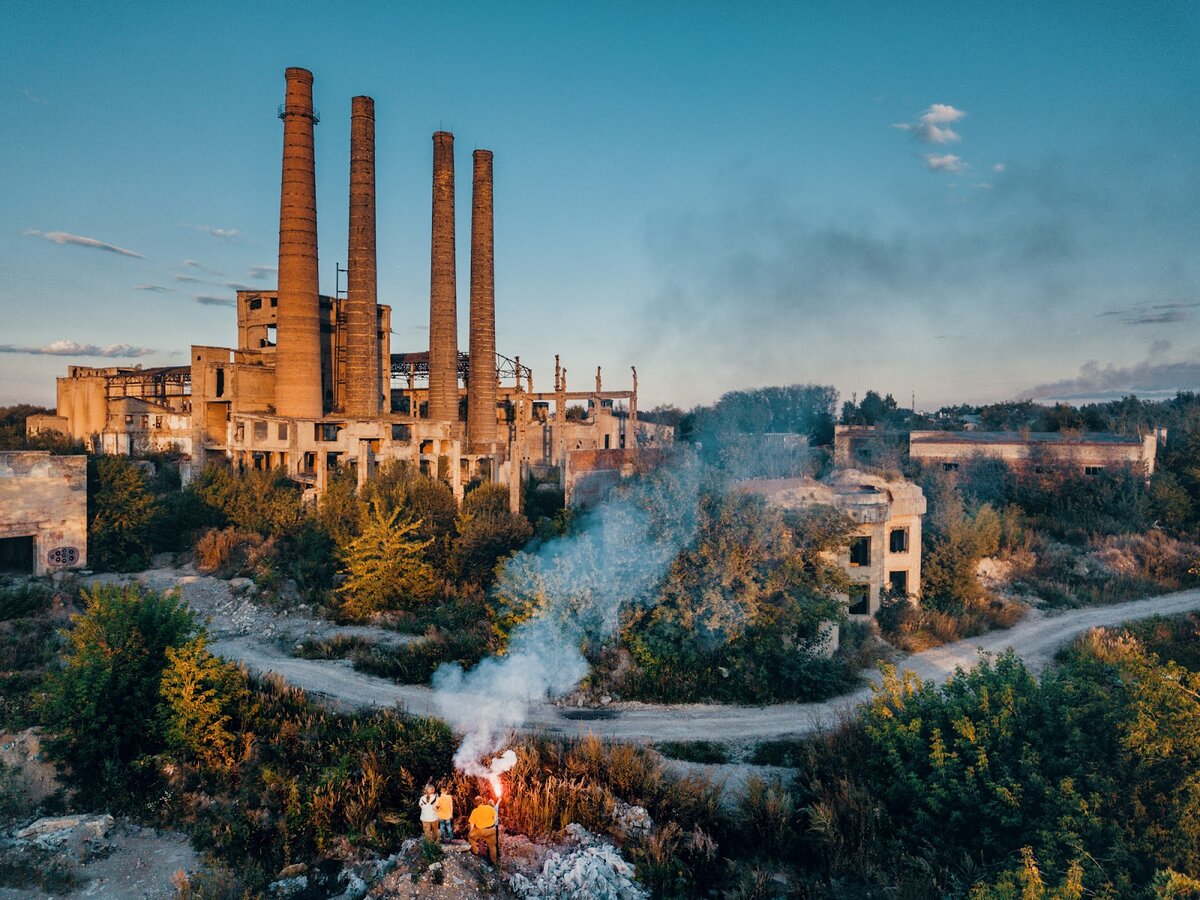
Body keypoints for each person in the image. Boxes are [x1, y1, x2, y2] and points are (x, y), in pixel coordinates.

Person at [468, 795, 499, 864]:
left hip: (481, 831)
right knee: (492, 847)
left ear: (475, 803)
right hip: (492, 830)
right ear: (482, 801)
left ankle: (475, 851)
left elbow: (472, 825)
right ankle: (495, 863)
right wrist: (493, 822)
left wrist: (471, 831)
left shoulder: (475, 811)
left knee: (470, 836)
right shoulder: (489, 807)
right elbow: (495, 816)